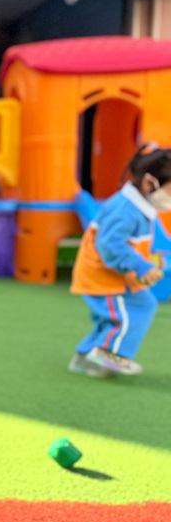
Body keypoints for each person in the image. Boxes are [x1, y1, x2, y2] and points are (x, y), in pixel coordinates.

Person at [69, 144, 171, 378]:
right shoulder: (126, 210)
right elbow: (110, 245)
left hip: (115, 274)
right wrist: (140, 265)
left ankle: (84, 357)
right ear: (149, 183)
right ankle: (109, 355)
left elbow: (132, 241)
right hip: (104, 276)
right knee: (137, 308)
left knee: (116, 316)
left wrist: (150, 259)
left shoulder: (138, 205)